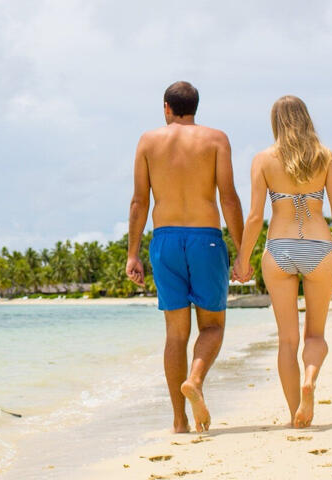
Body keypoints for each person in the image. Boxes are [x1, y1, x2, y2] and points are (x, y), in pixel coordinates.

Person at [232, 95, 332, 428]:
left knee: (288, 340)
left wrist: (242, 260)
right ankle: (310, 380)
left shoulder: (262, 160)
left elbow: (255, 217)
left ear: (275, 122)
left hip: (279, 249)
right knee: (315, 336)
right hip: (319, 247)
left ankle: (294, 417)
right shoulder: (325, 157)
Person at [126, 81, 244, 433]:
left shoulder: (148, 141)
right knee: (212, 326)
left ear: (166, 107)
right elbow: (229, 198)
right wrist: (242, 251)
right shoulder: (216, 139)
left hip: (165, 240)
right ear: (196, 106)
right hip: (205, 239)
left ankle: (179, 422)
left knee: (175, 335)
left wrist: (133, 253)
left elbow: (139, 201)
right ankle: (194, 379)